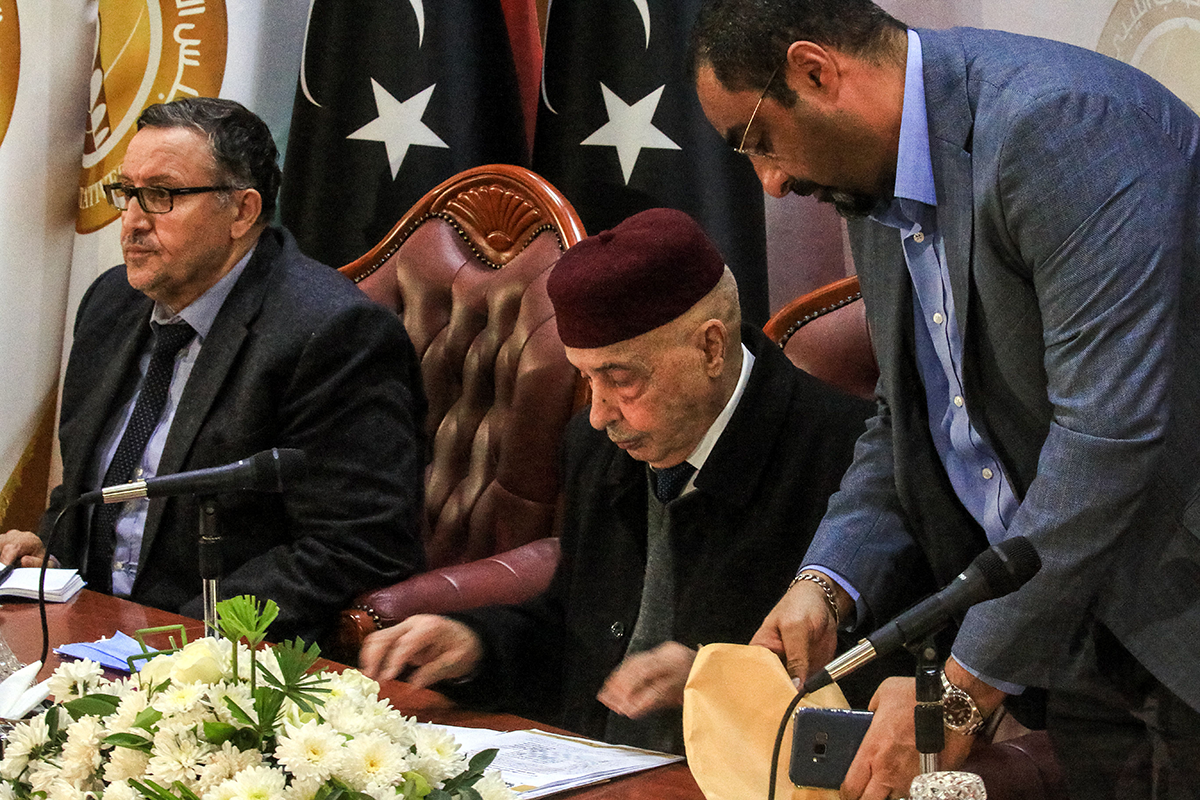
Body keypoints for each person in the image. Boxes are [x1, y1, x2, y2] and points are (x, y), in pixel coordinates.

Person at [690, 2, 1200, 798]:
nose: (772, 180)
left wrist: (965, 685)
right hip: (1072, 629)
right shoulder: (874, 182)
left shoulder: (1058, 126)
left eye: (758, 138)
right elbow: (913, 418)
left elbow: (1109, 437)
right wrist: (827, 581)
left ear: (816, 71)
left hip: (1176, 602)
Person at [358, 207, 878, 754]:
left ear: (710, 347)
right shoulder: (598, 448)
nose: (598, 413)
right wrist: (476, 644)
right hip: (596, 768)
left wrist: (718, 677)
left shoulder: (850, 462)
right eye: (586, 377)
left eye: (620, 379)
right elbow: (575, 632)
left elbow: (885, 686)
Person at [0, 97, 427, 643]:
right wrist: (53, 548)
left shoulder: (332, 333)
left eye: (161, 195)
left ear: (242, 212)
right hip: (86, 626)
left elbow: (355, 544)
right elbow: (94, 486)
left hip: (216, 657)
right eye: (127, 192)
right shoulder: (112, 302)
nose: (131, 222)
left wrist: (180, 637)